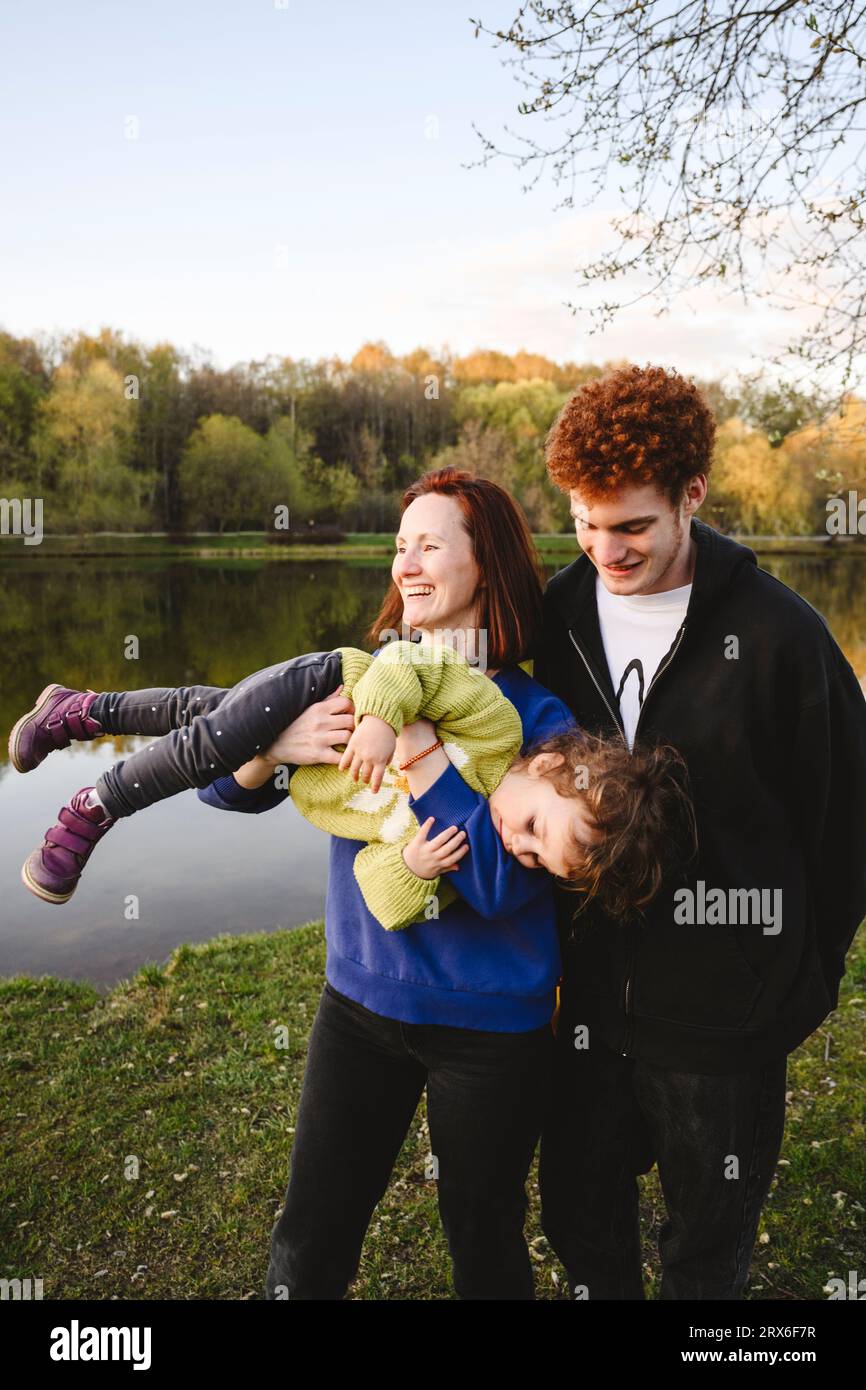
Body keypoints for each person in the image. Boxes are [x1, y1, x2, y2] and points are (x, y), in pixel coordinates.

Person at [534, 363, 866, 1300]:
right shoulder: (553, 621)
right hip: (584, 1003)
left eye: (632, 525)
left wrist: (802, 978)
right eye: (585, 523)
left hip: (726, 1019)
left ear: (693, 496)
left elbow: (847, 823)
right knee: (576, 1218)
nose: (607, 548)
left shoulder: (779, 637)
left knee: (705, 1253)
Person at [11, 634, 688, 927]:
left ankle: (77, 712)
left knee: (198, 710)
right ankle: (95, 807)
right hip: (329, 682)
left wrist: (416, 869)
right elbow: (411, 663)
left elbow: (382, 895)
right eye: (537, 828)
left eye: (538, 858)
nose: (521, 848)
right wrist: (384, 722)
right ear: (547, 768)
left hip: (308, 750)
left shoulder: (450, 842)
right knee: (213, 742)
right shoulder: (496, 730)